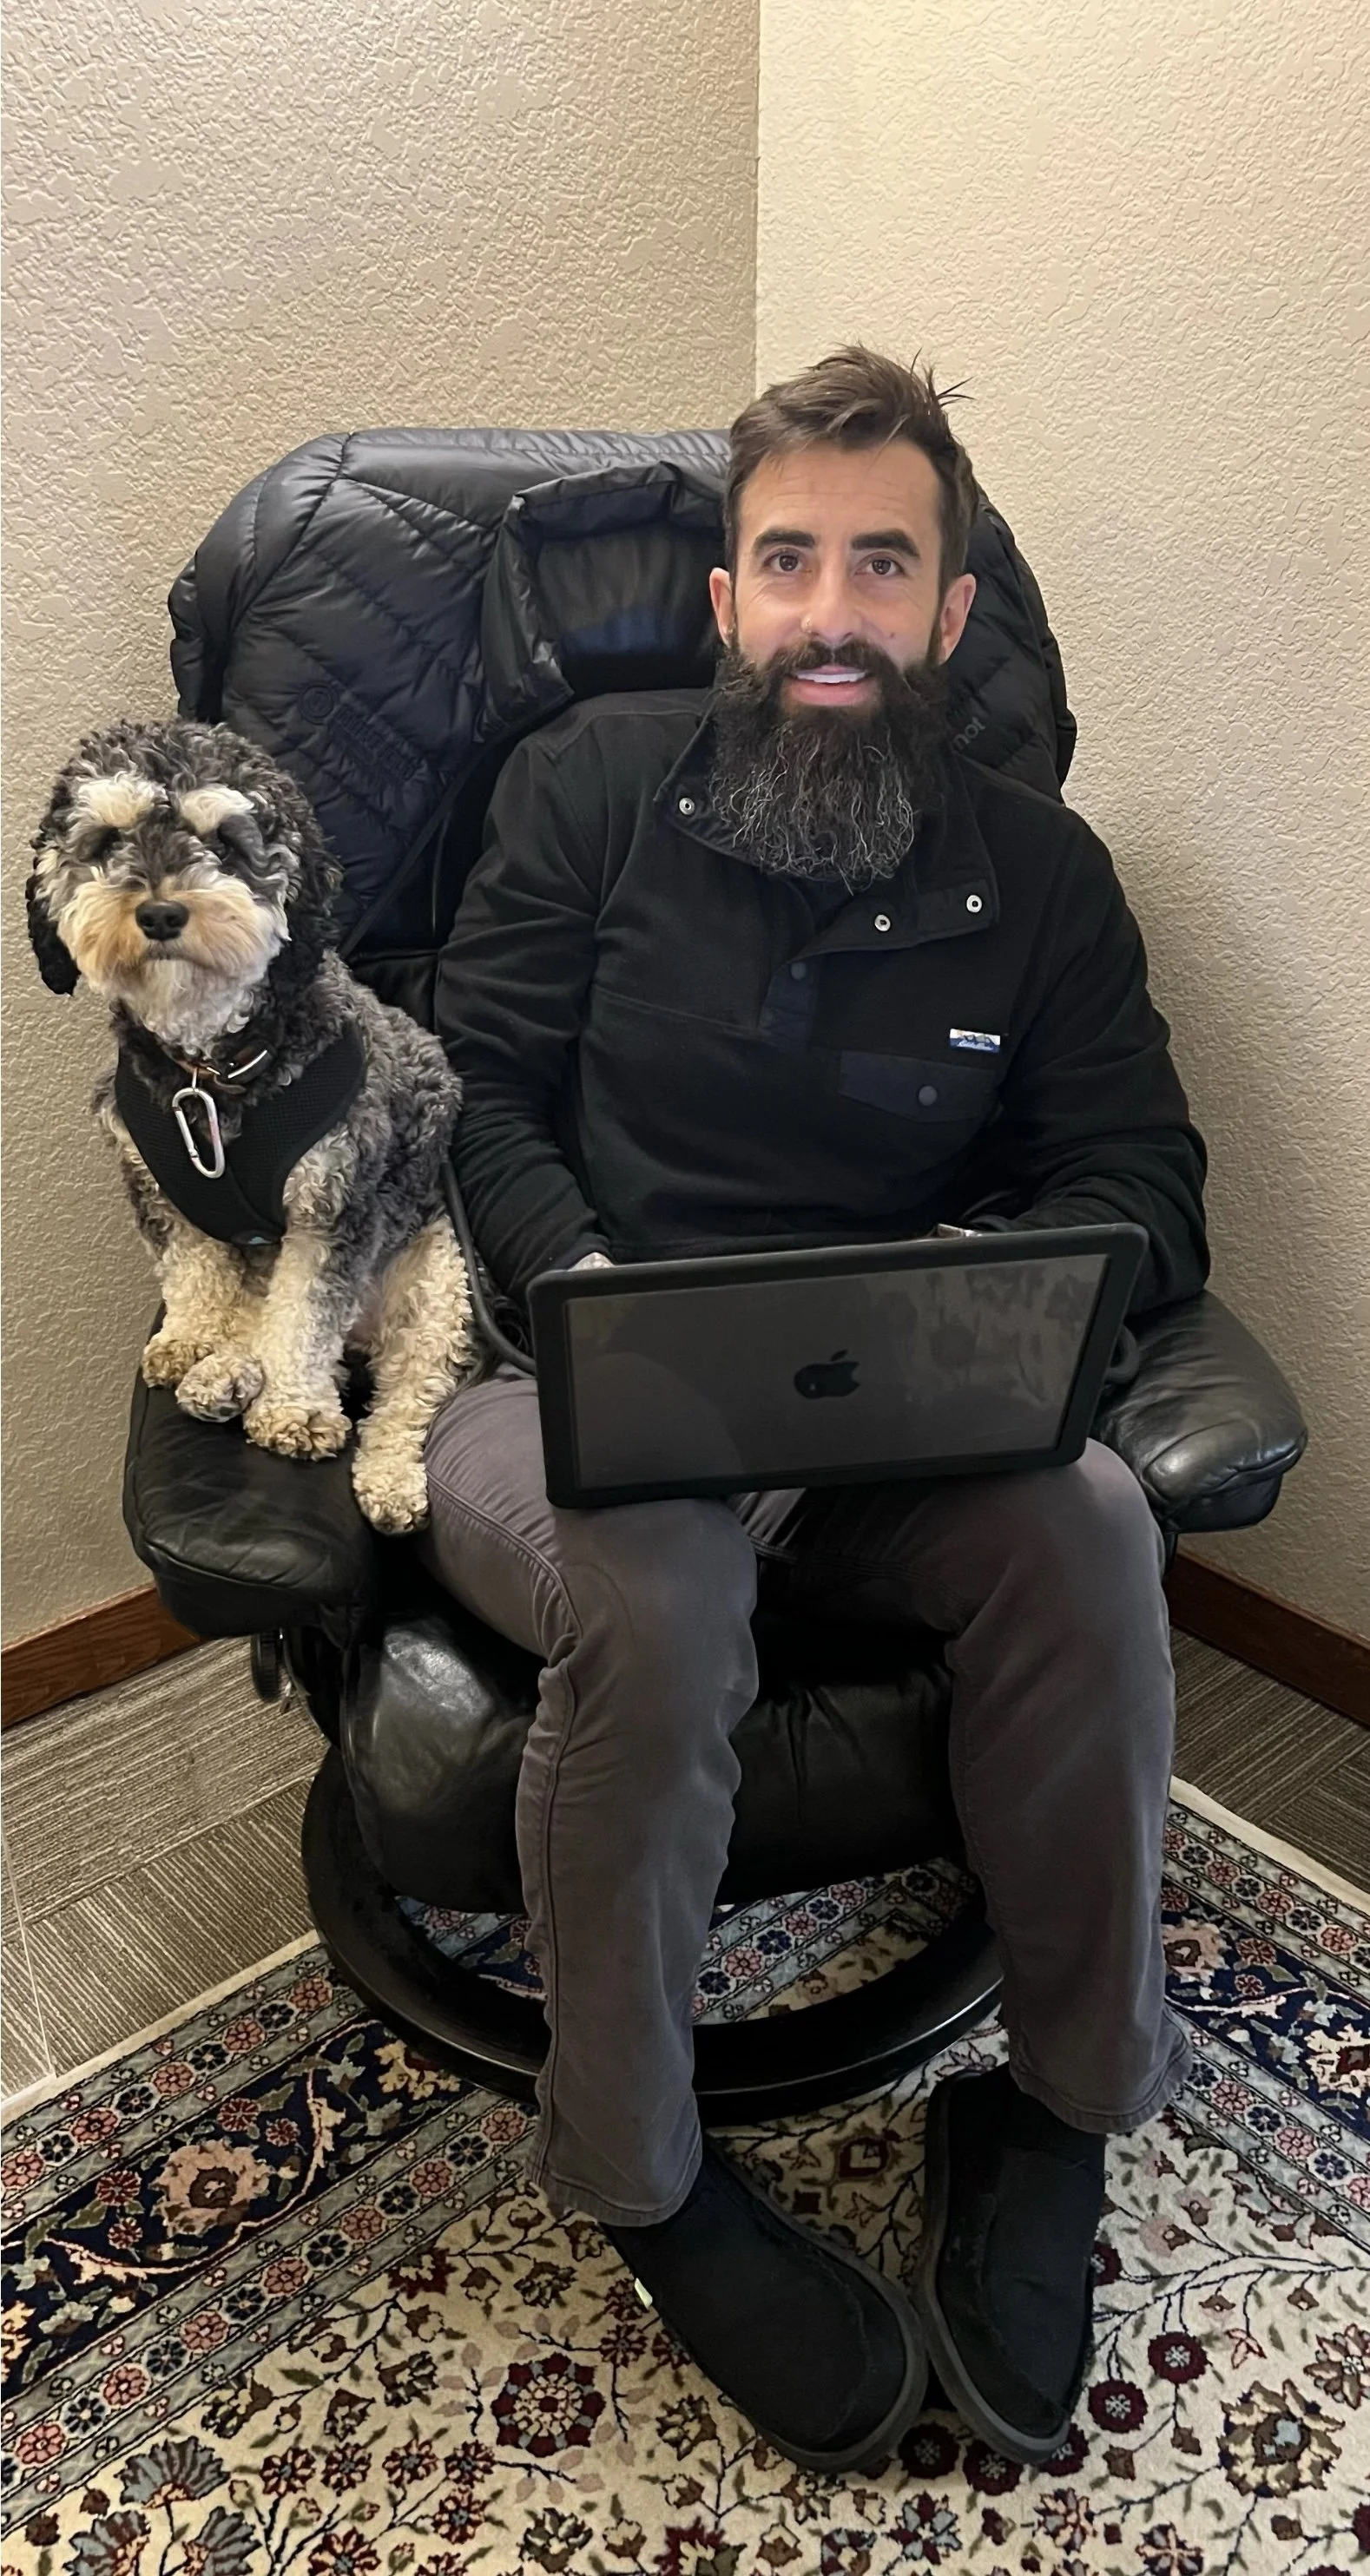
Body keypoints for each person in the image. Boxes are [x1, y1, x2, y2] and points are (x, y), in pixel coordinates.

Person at [422, 347, 1209, 2474]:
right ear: (727, 600)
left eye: (885, 561)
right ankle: (645, 2176)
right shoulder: (586, 789)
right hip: (557, 1379)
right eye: (790, 561)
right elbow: (466, 1091)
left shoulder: (1042, 874)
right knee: (661, 1586)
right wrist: (580, 1276)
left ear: (952, 614)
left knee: (1093, 1529)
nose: (832, 608)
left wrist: (1002, 1296)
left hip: (883, 1415)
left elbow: (1145, 1182)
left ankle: (1058, 2109)